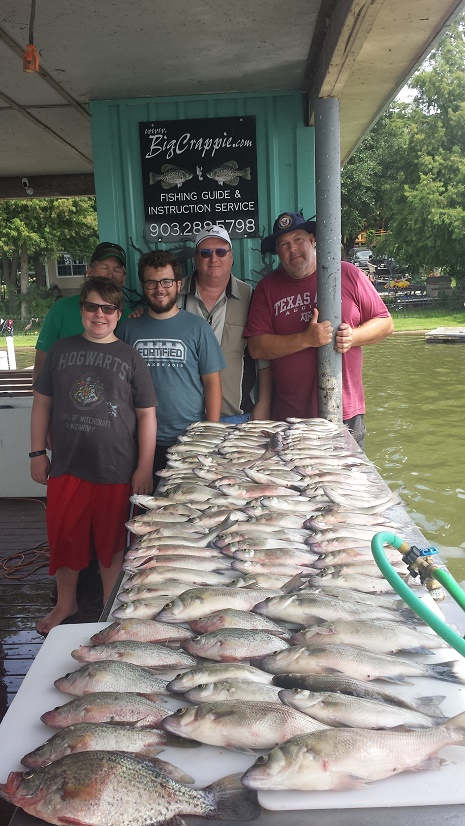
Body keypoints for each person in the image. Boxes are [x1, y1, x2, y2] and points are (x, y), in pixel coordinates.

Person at [30, 276, 157, 635]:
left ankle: (109, 607)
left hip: (115, 468)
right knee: (64, 537)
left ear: (118, 313)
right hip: (67, 465)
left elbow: (147, 414)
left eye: (107, 308)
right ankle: (65, 603)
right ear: (81, 309)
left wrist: (144, 466)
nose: (99, 314)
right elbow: (42, 403)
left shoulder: (130, 357)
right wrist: (37, 452)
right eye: (92, 306)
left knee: (112, 543)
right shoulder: (60, 350)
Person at [244, 212, 394, 448]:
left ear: (312, 240)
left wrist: (353, 337)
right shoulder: (267, 288)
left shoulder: (347, 273)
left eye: (298, 239)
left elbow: (385, 322)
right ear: (277, 252)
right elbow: (256, 347)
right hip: (290, 418)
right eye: (284, 244)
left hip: (344, 413)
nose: (293, 249)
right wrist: (305, 339)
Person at [117, 249, 226, 485]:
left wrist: (211, 433)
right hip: (139, 439)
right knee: (142, 505)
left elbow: (212, 383)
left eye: (166, 281)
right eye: (152, 282)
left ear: (178, 284)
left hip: (189, 439)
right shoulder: (127, 329)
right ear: (143, 286)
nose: (159, 289)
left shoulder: (198, 328)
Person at [178, 226, 272, 423]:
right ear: (196, 258)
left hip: (236, 417)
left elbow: (263, 358)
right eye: (205, 252)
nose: (213, 258)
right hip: (184, 418)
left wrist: (263, 403)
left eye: (221, 252)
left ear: (231, 257)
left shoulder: (251, 297)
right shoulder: (174, 295)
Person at [33, 242, 129, 382]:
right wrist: (40, 395)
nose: (110, 275)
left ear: (123, 277)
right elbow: (41, 366)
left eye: (116, 270)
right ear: (90, 270)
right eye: (104, 267)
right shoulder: (61, 310)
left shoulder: (130, 316)